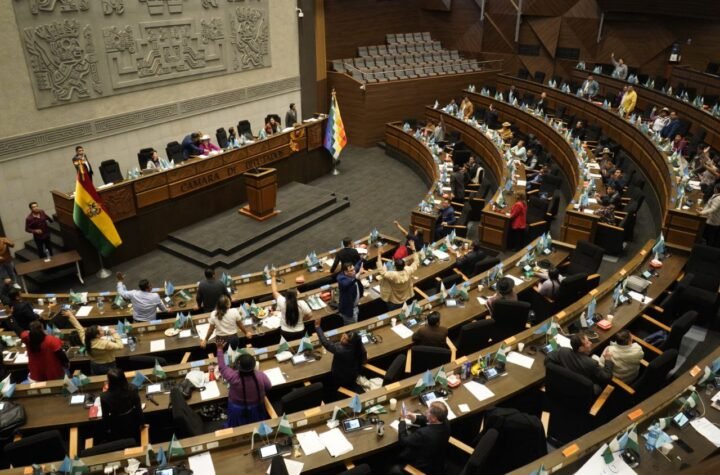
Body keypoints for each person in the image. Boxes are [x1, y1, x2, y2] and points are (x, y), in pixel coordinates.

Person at [390, 401, 450, 475]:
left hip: (423, 466)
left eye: (428, 411)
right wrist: (414, 417)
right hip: (437, 459)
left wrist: (402, 420)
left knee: (395, 466)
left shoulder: (424, 433)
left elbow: (403, 441)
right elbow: (428, 420)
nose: (426, 411)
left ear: (434, 418)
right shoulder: (445, 421)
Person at [217, 347, 271, 426]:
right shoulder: (261, 376)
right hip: (257, 409)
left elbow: (222, 367)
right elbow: (268, 387)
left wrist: (219, 349)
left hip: (237, 411)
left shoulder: (233, 377)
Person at [545, 332, 614, 394]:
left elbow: (547, 359)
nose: (591, 343)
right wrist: (608, 360)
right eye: (587, 343)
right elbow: (606, 378)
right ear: (580, 348)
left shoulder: (563, 351)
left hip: (566, 385)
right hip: (583, 391)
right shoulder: (591, 363)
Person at [314, 318, 367, 394]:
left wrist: (317, 326)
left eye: (345, 338)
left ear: (349, 343)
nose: (342, 337)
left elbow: (326, 343)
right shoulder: (357, 347)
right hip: (353, 375)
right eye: (344, 335)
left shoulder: (341, 350)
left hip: (340, 379)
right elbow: (364, 354)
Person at [64, 309, 123, 375]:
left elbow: (79, 328)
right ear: (97, 335)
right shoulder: (105, 344)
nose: (103, 330)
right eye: (101, 330)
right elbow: (120, 346)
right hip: (108, 365)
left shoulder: (85, 339)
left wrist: (70, 316)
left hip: (95, 364)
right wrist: (114, 334)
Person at [100, 368, 144, 443]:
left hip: (116, 426)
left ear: (110, 382)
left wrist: (106, 431)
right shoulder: (133, 388)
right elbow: (138, 409)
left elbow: (105, 417)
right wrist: (142, 423)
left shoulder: (104, 397)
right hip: (133, 423)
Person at [270, 268, 312, 341]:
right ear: (296, 296)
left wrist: (273, 277)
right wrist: (302, 319)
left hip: (285, 332)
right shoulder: (302, 303)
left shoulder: (282, 301)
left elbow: (274, 291)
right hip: (300, 331)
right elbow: (310, 315)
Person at [378, 243, 419, 311]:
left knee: (393, 314)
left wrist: (379, 255)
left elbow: (381, 271)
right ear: (404, 265)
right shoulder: (408, 270)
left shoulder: (392, 275)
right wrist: (413, 249)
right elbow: (416, 262)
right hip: (405, 298)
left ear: (395, 266)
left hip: (393, 301)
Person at [337, 261, 366, 325]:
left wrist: (363, 258)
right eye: (351, 270)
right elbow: (346, 284)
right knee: (352, 327)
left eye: (354, 269)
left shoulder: (352, 273)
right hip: (349, 309)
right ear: (345, 272)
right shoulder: (341, 278)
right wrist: (358, 274)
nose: (354, 271)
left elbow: (357, 265)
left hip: (355, 307)